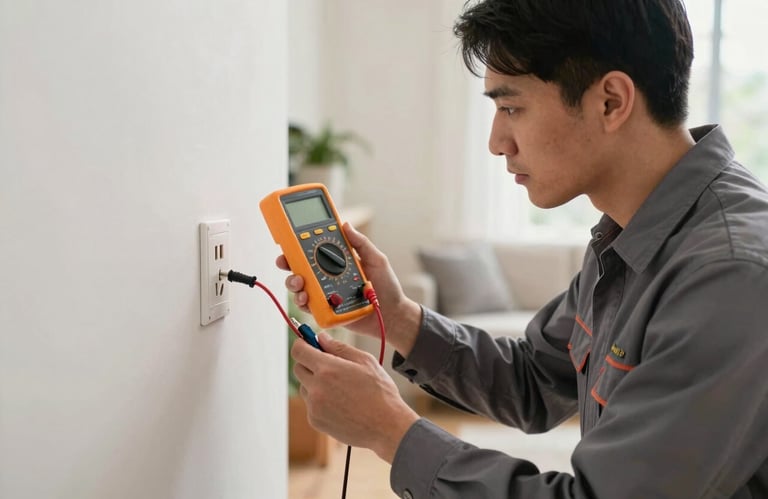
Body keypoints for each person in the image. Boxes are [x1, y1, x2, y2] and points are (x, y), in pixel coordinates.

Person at [279, 0, 768, 497]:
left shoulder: (730, 274)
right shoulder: (628, 233)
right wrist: (400, 317)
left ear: (611, 102)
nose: (497, 142)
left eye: (511, 107)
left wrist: (390, 431)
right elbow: (534, 378)